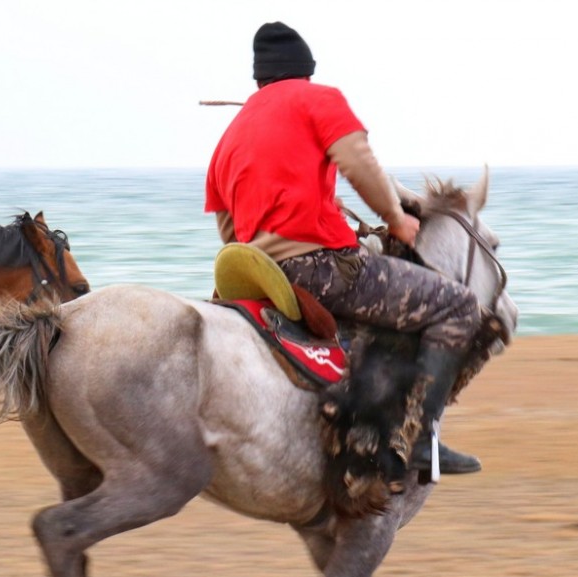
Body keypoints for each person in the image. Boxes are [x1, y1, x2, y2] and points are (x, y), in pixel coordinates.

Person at [204, 22, 483, 475]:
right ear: (306, 72)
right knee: (458, 306)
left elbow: (227, 227)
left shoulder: (229, 137)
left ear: (258, 81)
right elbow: (361, 165)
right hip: (323, 268)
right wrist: (397, 220)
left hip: (263, 276)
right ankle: (415, 438)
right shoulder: (319, 99)